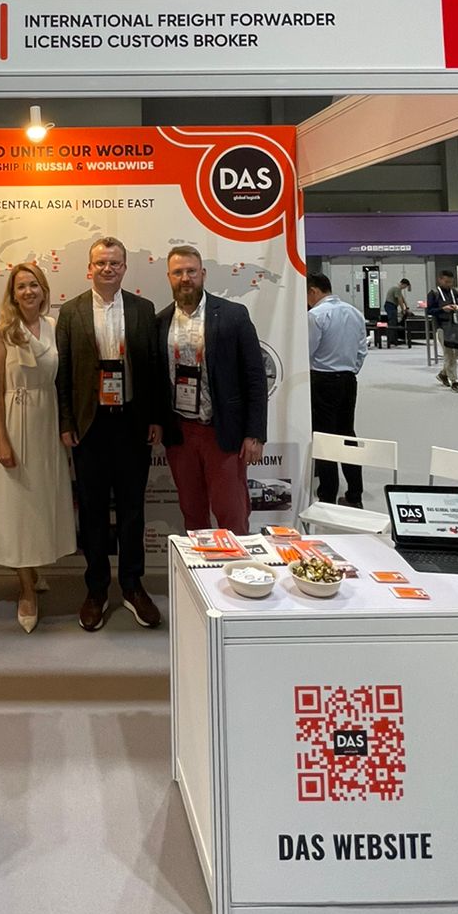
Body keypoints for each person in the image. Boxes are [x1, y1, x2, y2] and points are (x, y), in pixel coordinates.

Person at [56, 236, 166, 632]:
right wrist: (66, 422)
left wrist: (155, 418)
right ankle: (97, 588)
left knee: (133, 509)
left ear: (124, 268)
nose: (107, 269)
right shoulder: (71, 312)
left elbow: (153, 369)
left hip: (132, 423)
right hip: (90, 425)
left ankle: (133, 585)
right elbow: (63, 373)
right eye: (101, 263)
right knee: (93, 511)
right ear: (90, 268)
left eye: (114, 263)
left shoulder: (142, 309)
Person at [0, 262, 77, 633]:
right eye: (21, 286)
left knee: (41, 504)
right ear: (13, 293)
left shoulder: (55, 327)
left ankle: (35, 569)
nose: (28, 291)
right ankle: (25, 588)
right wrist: (1, 438)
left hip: (47, 424)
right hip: (15, 421)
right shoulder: (1, 331)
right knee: (18, 507)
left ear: (44, 290)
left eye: (34, 285)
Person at [155, 246, 268, 536]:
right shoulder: (159, 322)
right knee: (192, 515)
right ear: (169, 277)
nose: (185, 278)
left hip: (223, 432)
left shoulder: (233, 315)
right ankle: (201, 566)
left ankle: (238, 564)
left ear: (203, 274)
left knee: (232, 513)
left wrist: (255, 433)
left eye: (191, 271)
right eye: (178, 272)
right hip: (180, 434)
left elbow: (255, 377)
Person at [306, 273, 368, 506]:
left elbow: (307, 350)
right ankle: (355, 494)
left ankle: (327, 494)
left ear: (313, 291)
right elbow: (362, 350)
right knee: (347, 434)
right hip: (349, 380)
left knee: (325, 437)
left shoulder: (316, 315)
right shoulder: (355, 313)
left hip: (322, 380)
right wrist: (350, 370)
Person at [426, 271, 458, 393]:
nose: (449, 284)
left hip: (457, 326)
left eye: (451, 282)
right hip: (442, 326)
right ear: (440, 280)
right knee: (449, 353)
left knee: (457, 353)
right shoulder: (434, 293)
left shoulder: (456, 292)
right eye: (446, 281)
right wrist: (442, 309)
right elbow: (429, 310)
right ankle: (454, 381)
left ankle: (443, 374)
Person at [383, 278, 412, 346]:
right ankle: (392, 340)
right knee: (392, 323)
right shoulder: (397, 289)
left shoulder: (397, 289)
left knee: (394, 322)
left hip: (391, 306)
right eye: (405, 286)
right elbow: (400, 300)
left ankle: (393, 338)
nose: (405, 288)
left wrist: (407, 307)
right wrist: (403, 310)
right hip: (390, 306)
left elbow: (403, 299)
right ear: (403, 284)